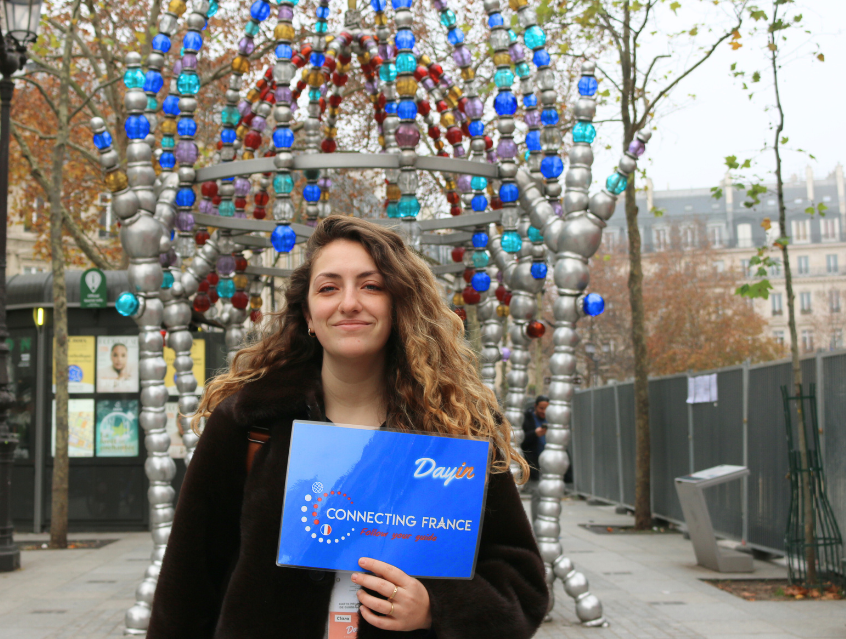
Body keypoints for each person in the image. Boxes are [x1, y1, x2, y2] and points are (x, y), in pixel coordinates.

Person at [148, 216, 548, 638]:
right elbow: (187, 586)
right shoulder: (249, 424)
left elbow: (521, 585)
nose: (349, 303)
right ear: (308, 313)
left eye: (371, 286)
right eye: (328, 287)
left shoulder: (457, 428)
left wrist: (437, 607)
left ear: (398, 304)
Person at [521, 396, 549, 484]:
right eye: (541, 408)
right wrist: (534, 434)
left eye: (546, 409)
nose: (544, 411)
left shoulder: (551, 419)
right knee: (536, 490)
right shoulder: (526, 419)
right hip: (533, 463)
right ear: (535, 406)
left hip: (548, 463)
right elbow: (521, 441)